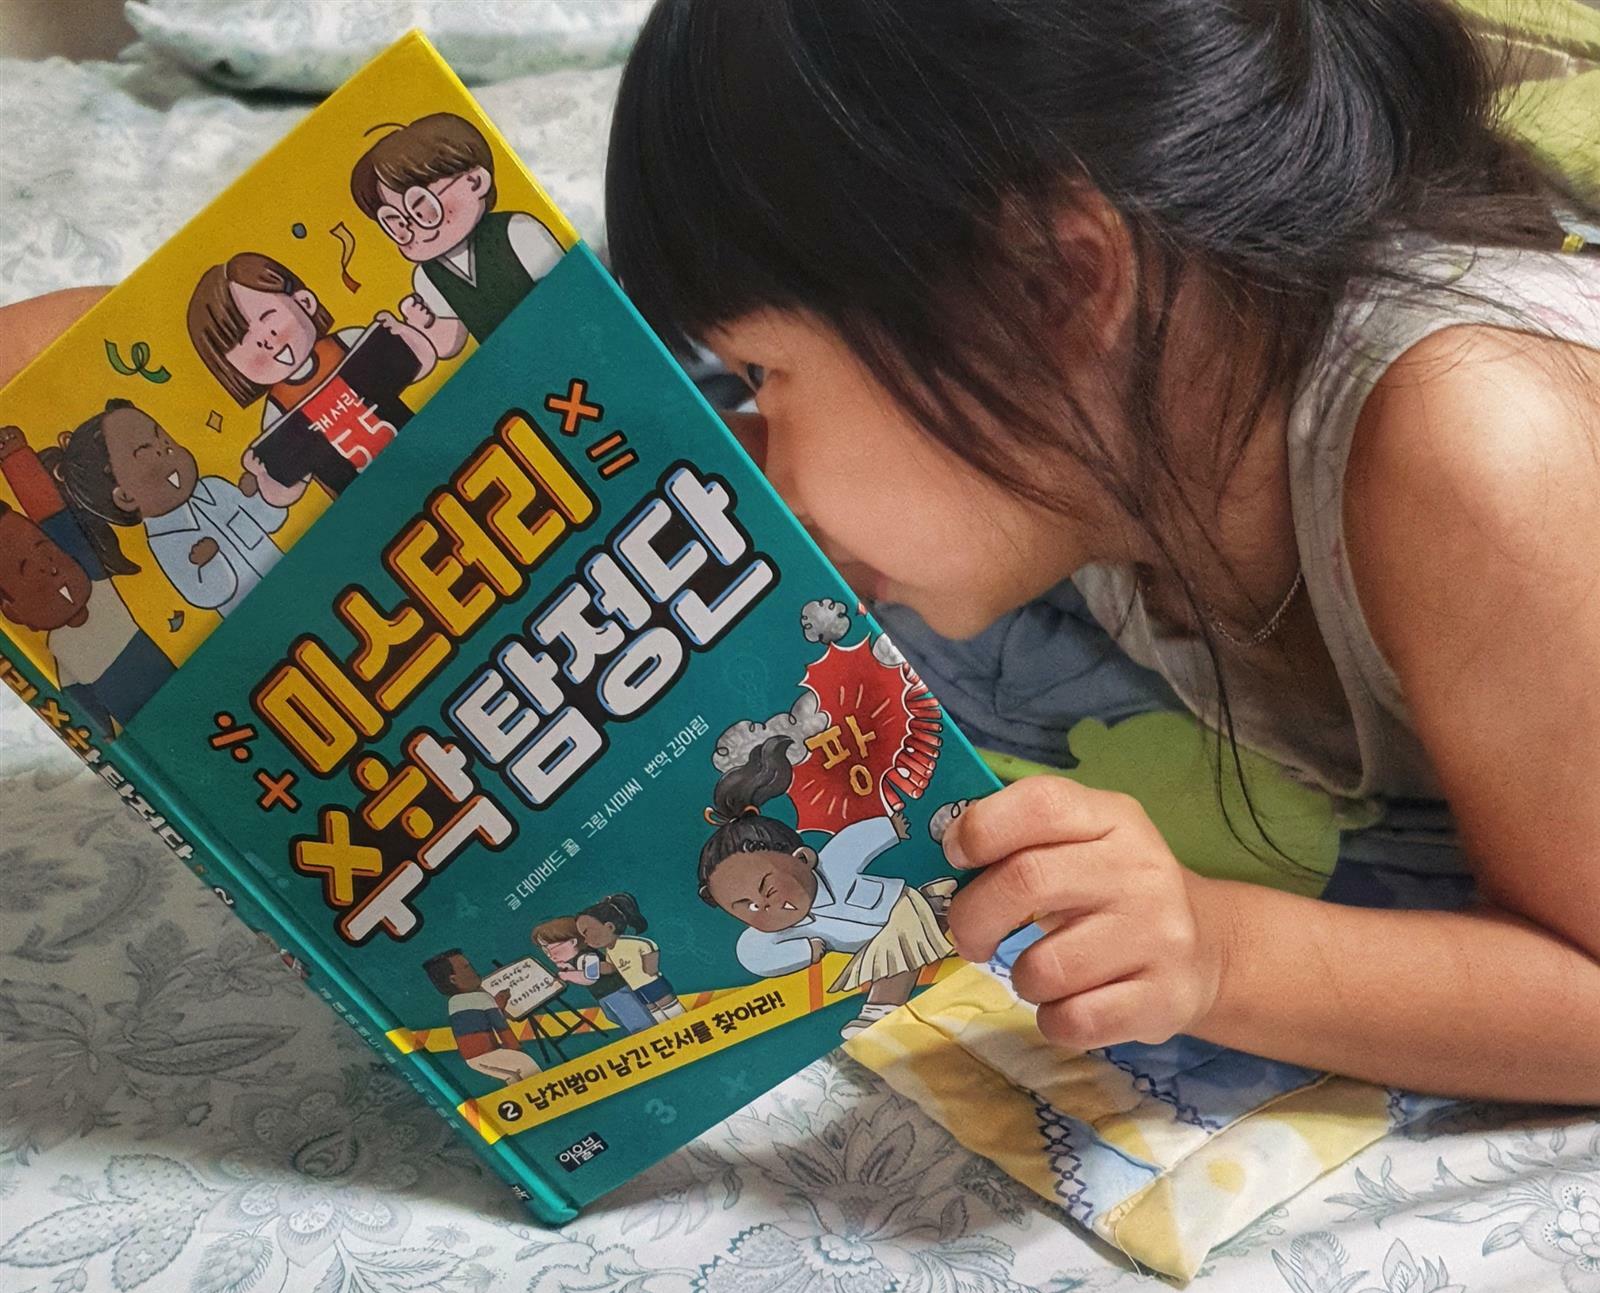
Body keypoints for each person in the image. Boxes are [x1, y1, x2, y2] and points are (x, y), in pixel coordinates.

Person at [606, 0, 1600, 1103]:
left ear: (1051, 287)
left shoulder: (1479, 444)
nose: (758, 466)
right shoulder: (1121, 416)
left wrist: (1220, 955)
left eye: (764, 377)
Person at [698, 736, 956, 1038]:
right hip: (870, 941)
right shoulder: (782, 932)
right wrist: (805, 951)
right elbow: (751, 953)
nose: (766, 906)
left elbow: (853, 841)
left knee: (897, 952)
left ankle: (880, 1009)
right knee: (901, 944)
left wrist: (889, 830)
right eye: (750, 907)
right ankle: (935, 907)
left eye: (768, 890)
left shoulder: (833, 862)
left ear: (803, 858)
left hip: (898, 906)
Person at [186, 252, 436, 506]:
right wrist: (263, 475)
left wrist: (404, 333)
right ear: (231, 368)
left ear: (304, 302)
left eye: (267, 316)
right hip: (369, 500)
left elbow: (420, 365)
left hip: (426, 445)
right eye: (242, 340)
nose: (264, 340)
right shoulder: (278, 410)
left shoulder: (346, 343)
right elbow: (288, 491)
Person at [350, 112, 566, 359]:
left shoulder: (517, 231)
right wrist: (421, 326)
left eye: (421, 207)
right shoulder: (426, 277)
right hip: (513, 364)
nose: (413, 228)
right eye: (395, 222)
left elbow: (573, 287)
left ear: (475, 182)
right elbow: (450, 343)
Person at [0, 423, 172, 732]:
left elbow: (55, 520)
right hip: (151, 729)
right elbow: (85, 714)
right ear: (11, 610)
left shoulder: (96, 587)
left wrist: (16, 458)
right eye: (28, 571)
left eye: (48, 551)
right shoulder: (59, 649)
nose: (50, 568)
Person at [52, 400, 286, 619]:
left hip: (290, 571)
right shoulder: (166, 543)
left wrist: (260, 493)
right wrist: (211, 561)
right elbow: (207, 595)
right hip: (256, 615)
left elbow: (273, 520)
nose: (168, 451)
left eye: (166, 442)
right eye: (149, 454)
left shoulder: (214, 488)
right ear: (126, 497)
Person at [421, 949, 542, 1085]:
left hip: (472, 1060)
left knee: (512, 1077)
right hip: (489, 1053)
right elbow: (501, 1027)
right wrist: (517, 1049)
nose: (474, 971)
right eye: (467, 967)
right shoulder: (482, 997)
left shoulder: (453, 1002)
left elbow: (477, 1020)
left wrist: (496, 1007)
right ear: (453, 979)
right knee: (525, 1064)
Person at [532, 916, 657, 1037]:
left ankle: (650, 1036)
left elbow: (590, 977)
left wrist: (568, 975)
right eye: (545, 951)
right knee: (615, 1017)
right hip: (603, 995)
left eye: (551, 949)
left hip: (617, 992)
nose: (550, 956)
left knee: (637, 1022)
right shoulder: (576, 960)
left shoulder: (588, 957)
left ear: (572, 942)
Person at [576, 893, 686, 1021]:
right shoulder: (610, 952)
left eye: (586, 933)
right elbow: (612, 967)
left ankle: (683, 1022)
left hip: (651, 982)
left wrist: (650, 969)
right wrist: (596, 967)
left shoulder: (629, 942)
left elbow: (649, 946)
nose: (586, 941)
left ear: (610, 927)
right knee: (653, 1009)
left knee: (668, 1005)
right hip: (636, 987)